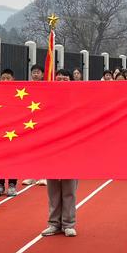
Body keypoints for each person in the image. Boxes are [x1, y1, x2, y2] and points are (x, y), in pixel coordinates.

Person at [41, 69, 78, 237]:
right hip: (52, 149)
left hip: (71, 149)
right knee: (53, 189)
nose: (62, 78)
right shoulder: (48, 99)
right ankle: (53, 223)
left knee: (69, 189)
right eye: (59, 76)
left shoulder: (77, 99)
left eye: (66, 76)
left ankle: (68, 223)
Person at [0, 69, 18, 197]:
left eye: (8, 78)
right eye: (3, 78)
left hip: (13, 132)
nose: (5, 80)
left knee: (12, 158)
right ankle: (0, 185)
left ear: (13, 79)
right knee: (0, 158)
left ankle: (12, 185)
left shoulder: (18, 94)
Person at [22, 64, 47, 186]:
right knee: (30, 149)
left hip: (43, 121)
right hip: (30, 122)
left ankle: (43, 175)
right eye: (33, 72)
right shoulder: (26, 88)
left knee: (42, 148)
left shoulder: (47, 87)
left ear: (42, 74)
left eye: (38, 72)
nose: (35, 74)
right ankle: (30, 175)